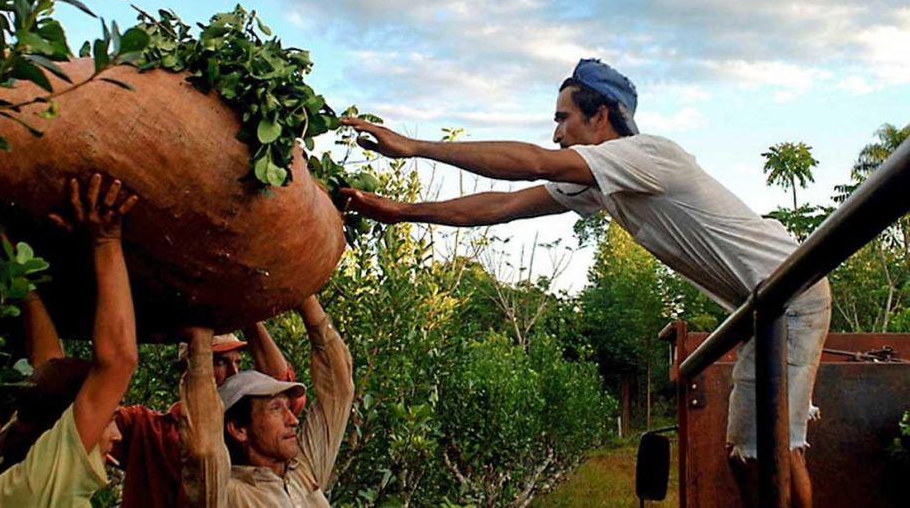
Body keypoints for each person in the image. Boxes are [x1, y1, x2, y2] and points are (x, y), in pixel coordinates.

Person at [338, 57, 831, 508]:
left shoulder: (644, 154)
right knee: (756, 455)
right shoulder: (602, 183)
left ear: (600, 116)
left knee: (765, 453)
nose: (557, 134)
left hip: (791, 294)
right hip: (765, 306)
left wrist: (415, 147)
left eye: (563, 118)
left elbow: (533, 162)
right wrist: (401, 211)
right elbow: (503, 206)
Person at [0, 173, 140, 508]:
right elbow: (116, 360)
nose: (117, 436)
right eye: (110, 419)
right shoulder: (33, 487)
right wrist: (105, 240)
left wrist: (19, 273)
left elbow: (48, 366)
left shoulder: (11, 470)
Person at [180, 295, 353, 507]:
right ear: (238, 429)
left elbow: (339, 391)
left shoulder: (303, 473)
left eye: (287, 407)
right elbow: (204, 449)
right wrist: (199, 342)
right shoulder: (227, 495)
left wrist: (305, 300)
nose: (293, 420)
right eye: (275, 408)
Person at [111, 324, 306, 508]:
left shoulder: (248, 425)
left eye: (237, 362)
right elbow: (97, 411)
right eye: (219, 362)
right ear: (188, 368)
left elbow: (280, 381)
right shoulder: (148, 429)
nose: (234, 373)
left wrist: (249, 317)